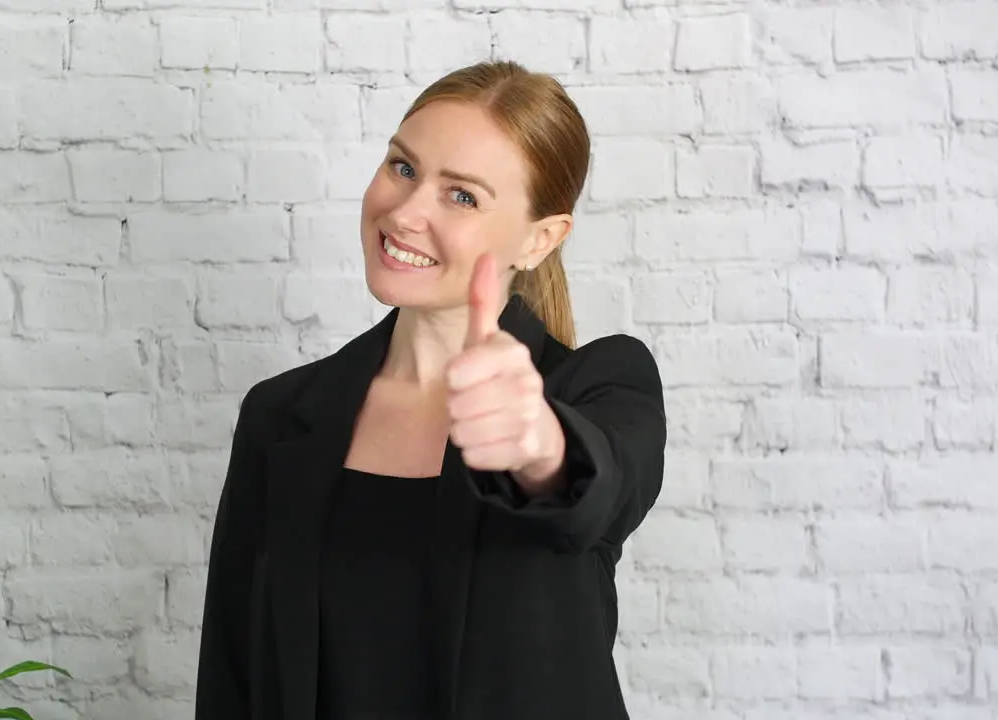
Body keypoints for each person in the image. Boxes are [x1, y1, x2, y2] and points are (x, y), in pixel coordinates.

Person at [194, 60, 668, 720]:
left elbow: (600, 488)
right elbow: (231, 679)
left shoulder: (598, 386)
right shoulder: (279, 416)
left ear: (540, 238)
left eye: (463, 196)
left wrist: (539, 447)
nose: (407, 212)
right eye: (403, 167)